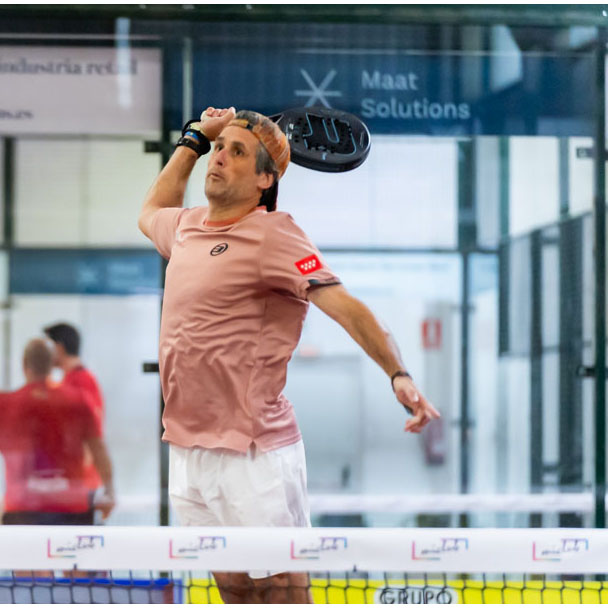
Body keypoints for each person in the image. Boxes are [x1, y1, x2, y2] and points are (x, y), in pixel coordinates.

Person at [137, 107, 441, 603]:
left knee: (282, 591)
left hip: (254, 453)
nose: (219, 158)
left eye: (236, 152)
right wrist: (194, 139)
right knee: (234, 592)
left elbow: (345, 306)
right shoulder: (186, 227)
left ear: (265, 179)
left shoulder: (275, 235)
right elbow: (151, 210)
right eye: (219, 149)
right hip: (188, 450)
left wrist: (398, 373)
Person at [0, 338, 115, 525]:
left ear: (24, 365)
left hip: (23, 508)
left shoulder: (3, 404)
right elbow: (98, 449)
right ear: (52, 365)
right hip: (71, 509)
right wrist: (109, 490)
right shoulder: (79, 402)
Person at [43, 322, 106, 494]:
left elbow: (90, 433)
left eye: (49, 347)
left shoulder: (81, 381)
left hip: (80, 481)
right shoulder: (69, 380)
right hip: (72, 479)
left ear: (59, 347)